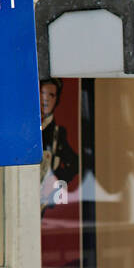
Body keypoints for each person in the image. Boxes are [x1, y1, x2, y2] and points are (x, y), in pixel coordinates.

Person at [39, 78, 79, 215]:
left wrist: (55, 180)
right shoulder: (26, 128)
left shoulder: (58, 132)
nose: (46, 99)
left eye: (51, 95)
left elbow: (74, 164)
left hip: (42, 199)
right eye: (42, 93)